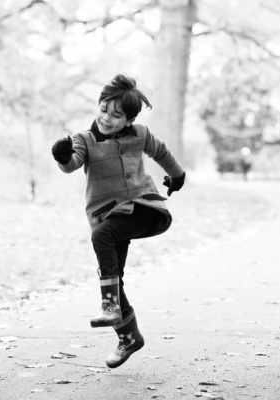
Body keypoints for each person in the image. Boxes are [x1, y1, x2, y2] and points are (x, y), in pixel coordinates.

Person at [50, 74, 186, 369]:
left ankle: (109, 305)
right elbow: (72, 163)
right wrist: (62, 156)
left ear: (128, 120)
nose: (106, 118)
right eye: (103, 110)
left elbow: (160, 151)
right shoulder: (84, 140)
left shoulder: (140, 134)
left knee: (102, 237)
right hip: (108, 212)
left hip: (142, 206)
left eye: (116, 115)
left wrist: (177, 175)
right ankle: (129, 336)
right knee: (114, 275)